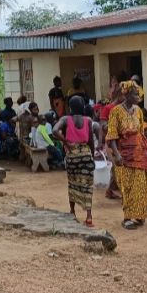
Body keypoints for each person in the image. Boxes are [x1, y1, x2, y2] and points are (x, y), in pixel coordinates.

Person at [105, 81, 147, 230]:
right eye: (135, 94)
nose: (138, 97)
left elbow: (140, 131)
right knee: (127, 186)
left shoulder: (138, 111)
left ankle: (139, 215)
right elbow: (112, 135)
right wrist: (117, 154)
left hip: (139, 153)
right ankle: (127, 217)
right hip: (124, 154)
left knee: (142, 184)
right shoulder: (116, 111)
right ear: (126, 94)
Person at [53, 97, 101, 227]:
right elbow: (91, 141)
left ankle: (72, 212)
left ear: (70, 107)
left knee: (72, 183)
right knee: (87, 185)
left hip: (72, 155)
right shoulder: (88, 120)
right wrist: (91, 155)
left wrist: (65, 141)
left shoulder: (65, 119)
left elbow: (54, 131)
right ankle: (89, 216)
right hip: (85, 154)